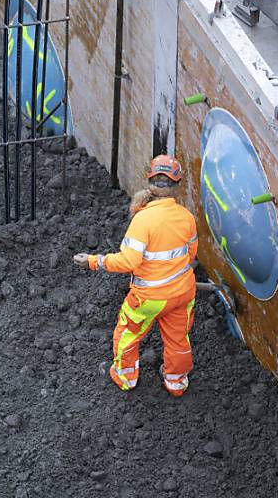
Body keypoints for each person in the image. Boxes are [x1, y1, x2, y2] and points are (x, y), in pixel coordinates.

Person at [73, 155, 199, 396]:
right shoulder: (186, 217)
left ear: (150, 179)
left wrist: (93, 261)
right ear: (178, 184)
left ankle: (125, 377)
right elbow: (191, 254)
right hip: (183, 293)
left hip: (149, 297)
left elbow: (129, 261)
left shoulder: (143, 220)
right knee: (178, 339)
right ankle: (176, 381)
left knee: (127, 333)